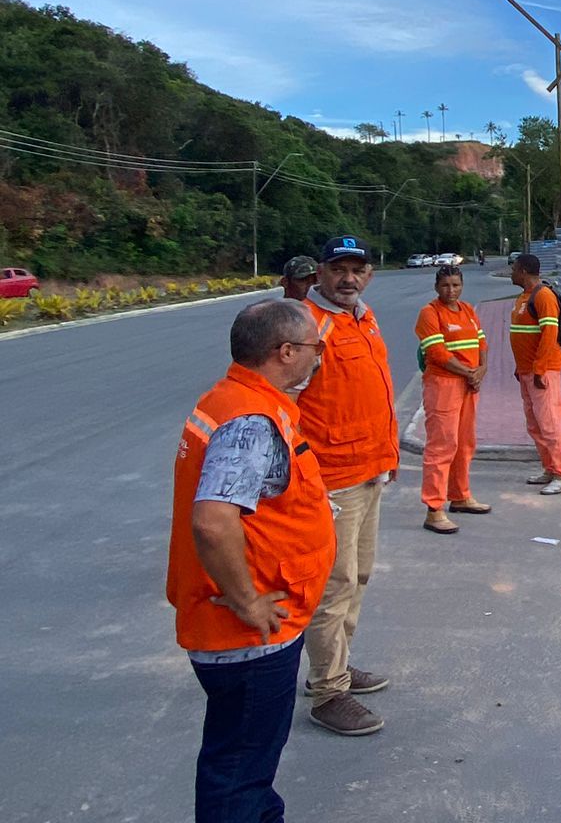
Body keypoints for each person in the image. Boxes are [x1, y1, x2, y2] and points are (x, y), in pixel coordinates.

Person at [166, 300, 337, 821]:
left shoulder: (237, 399)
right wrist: (248, 602)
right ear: (285, 352)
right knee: (240, 771)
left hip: (247, 630)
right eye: (314, 347)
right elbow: (213, 521)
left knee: (246, 766)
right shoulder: (250, 420)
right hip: (250, 636)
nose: (319, 357)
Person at [296, 235, 396, 737]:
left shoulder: (363, 317)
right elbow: (281, 403)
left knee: (358, 577)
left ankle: (335, 663)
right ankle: (327, 691)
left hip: (370, 470)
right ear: (319, 272)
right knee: (333, 587)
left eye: (357, 269)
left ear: (369, 274)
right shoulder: (304, 327)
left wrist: (388, 456)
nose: (348, 279)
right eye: (338, 269)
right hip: (330, 480)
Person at [415, 264, 490, 534]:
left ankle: (460, 495)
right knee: (441, 445)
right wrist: (469, 372)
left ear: (462, 286)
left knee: (464, 442)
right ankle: (434, 509)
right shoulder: (430, 313)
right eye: (445, 285)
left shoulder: (468, 310)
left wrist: (481, 370)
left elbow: (482, 343)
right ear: (437, 287)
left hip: (468, 384)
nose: (451, 290)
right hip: (443, 385)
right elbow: (436, 353)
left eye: (456, 285)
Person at [510, 253, 561, 494]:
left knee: (549, 424)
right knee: (535, 425)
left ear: (524, 271)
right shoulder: (523, 298)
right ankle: (550, 467)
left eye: (514, 269)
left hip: (543, 372)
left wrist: (539, 369)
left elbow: (549, 335)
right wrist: (521, 368)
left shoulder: (544, 296)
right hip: (527, 372)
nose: (511, 273)